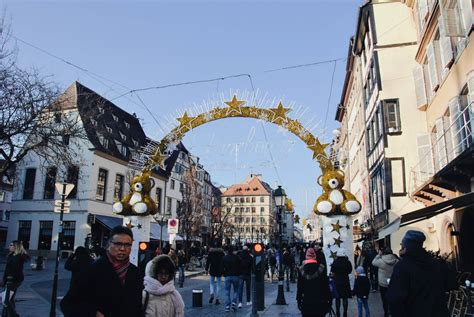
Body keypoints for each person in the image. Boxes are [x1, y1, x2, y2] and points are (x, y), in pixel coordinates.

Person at [387, 230, 457, 317]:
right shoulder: (436, 263)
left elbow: (395, 299)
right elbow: (451, 285)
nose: (401, 248)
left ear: (407, 247)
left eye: (402, 245)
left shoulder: (402, 267)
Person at [79, 225, 143, 317]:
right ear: (109, 244)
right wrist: (93, 313)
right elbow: (71, 303)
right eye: (118, 244)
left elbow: (137, 306)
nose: (122, 249)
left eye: (127, 245)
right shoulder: (92, 270)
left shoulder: (135, 272)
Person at [296, 248, 331, 317]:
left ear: (306, 257)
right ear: (315, 257)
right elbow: (326, 286)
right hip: (320, 303)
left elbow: (300, 288)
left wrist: (299, 300)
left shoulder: (301, 270)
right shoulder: (321, 268)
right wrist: (329, 300)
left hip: (307, 302)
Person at [60, 246, 93, 317]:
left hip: (75, 286)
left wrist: (72, 255)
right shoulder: (90, 260)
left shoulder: (78, 261)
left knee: (66, 303)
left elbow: (67, 266)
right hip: (88, 287)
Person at [1, 240, 29, 315]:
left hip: (13, 280)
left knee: (7, 299)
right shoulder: (12, 255)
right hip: (11, 279)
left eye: (11, 245)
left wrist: (8, 280)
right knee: (10, 298)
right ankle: (9, 314)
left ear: (16, 247)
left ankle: (13, 314)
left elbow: (14, 270)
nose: (9, 246)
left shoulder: (17, 257)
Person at [372, 247, 398, 317]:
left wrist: (378, 255)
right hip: (393, 283)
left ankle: (386, 312)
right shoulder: (396, 261)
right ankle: (392, 312)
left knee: (384, 299)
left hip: (383, 284)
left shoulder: (381, 261)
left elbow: (373, 262)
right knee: (392, 298)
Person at [331, 249, 352, 317]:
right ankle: (345, 313)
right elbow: (350, 271)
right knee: (345, 298)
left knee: (337, 298)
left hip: (337, 282)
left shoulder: (335, 262)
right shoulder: (347, 262)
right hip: (345, 281)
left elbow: (332, 271)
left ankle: (338, 313)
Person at [222, 245, 242, 312]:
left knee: (227, 291)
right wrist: (239, 273)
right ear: (233, 250)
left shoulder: (225, 258)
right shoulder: (237, 257)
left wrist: (224, 273)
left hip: (227, 275)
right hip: (236, 275)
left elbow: (222, 267)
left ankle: (227, 306)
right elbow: (240, 266)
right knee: (236, 290)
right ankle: (234, 303)